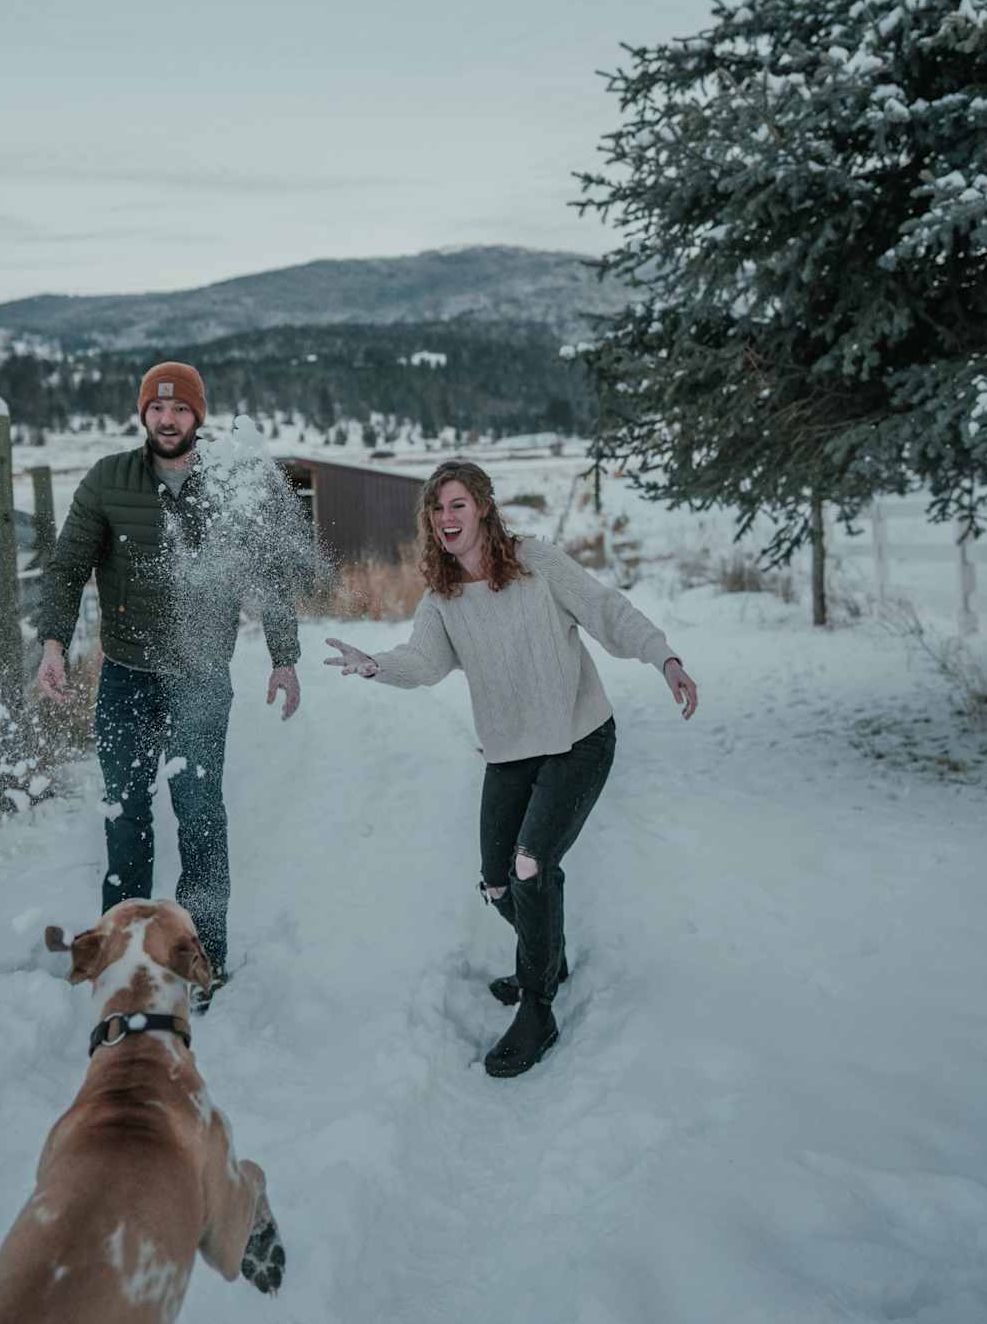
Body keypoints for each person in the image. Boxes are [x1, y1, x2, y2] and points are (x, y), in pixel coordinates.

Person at [325, 458, 697, 1078]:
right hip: (512, 751)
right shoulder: (443, 596)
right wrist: (375, 665)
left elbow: (607, 612)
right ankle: (550, 954)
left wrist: (665, 658)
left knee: (531, 864)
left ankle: (538, 1005)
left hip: (579, 739)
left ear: (483, 508)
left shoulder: (536, 563)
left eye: (458, 505)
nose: (447, 518)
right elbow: (423, 661)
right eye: (437, 509)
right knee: (498, 879)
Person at [37, 361, 303, 1006]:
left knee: (199, 813)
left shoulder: (231, 483)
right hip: (126, 675)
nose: (167, 419)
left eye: (179, 409)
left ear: (198, 416)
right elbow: (69, 565)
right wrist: (52, 643)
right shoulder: (109, 479)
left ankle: (198, 957)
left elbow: (268, 572)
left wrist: (284, 656)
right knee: (125, 815)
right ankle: (119, 956)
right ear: (142, 415)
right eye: (156, 409)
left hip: (200, 677)